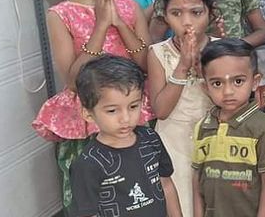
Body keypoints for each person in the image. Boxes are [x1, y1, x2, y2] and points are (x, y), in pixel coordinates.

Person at [31, 0, 153, 210]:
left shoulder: (129, 6)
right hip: (88, 121)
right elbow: (73, 80)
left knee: (136, 194)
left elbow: (145, 63)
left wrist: (119, 22)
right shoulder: (60, 14)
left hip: (130, 113)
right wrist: (101, 25)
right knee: (93, 199)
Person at [70, 56, 182, 217]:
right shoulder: (89, 163)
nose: (125, 118)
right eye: (112, 110)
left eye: (133, 106)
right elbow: (86, 213)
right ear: (88, 113)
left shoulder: (150, 139)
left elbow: (166, 184)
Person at [147, 0, 216, 217]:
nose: (186, 22)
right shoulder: (157, 53)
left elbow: (233, 104)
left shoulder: (220, 51)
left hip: (215, 142)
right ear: (165, 15)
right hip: (173, 144)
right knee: (182, 203)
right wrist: (183, 66)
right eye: (176, 13)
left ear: (210, 12)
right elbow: (161, 111)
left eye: (196, 13)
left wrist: (204, 71)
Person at [192, 38, 265, 217]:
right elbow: (197, 178)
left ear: (255, 82)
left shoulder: (261, 127)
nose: (228, 92)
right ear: (206, 87)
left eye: (238, 81)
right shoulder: (203, 127)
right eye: (217, 83)